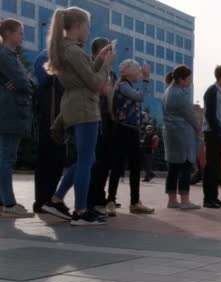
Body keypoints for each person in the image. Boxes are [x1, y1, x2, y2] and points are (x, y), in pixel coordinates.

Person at [45, 7, 115, 225]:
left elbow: (84, 75)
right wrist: (107, 64)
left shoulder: (67, 49)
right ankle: (81, 211)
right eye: (88, 26)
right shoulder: (74, 51)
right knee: (86, 161)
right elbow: (94, 83)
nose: (89, 31)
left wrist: (99, 59)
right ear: (78, 27)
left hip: (75, 106)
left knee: (87, 158)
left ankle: (56, 200)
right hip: (84, 108)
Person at [106, 59, 154, 216]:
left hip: (130, 130)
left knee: (134, 166)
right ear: (125, 71)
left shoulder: (127, 85)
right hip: (122, 130)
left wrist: (141, 116)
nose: (140, 70)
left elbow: (131, 105)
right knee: (118, 166)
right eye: (137, 68)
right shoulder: (123, 85)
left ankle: (134, 202)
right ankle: (111, 201)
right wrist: (146, 79)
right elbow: (139, 97)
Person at [0, 18, 35, 217]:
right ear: (10, 34)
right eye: (20, 32)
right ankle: (9, 204)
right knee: (7, 158)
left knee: (4, 157)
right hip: (10, 113)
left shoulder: (9, 55)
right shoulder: (5, 55)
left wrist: (25, 82)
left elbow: (24, 81)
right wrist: (25, 82)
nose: (22, 36)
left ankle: (4, 201)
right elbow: (24, 82)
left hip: (10, 113)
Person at [32, 49, 66, 217]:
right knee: (49, 159)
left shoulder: (50, 56)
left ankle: (46, 200)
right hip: (50, 116)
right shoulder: (47, 56)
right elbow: (42, 82)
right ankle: (44, 200)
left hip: (56, 115)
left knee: (55, 160)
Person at [162, 65, 200, 210]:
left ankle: (172, 200)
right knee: (185, 166)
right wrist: (198, 129)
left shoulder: (168, 91)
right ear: (181, 80)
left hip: (171, 133)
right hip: (182, 134)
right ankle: (185, 200)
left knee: (173, 168)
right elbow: (190, 115)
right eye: (189, 78)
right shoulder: (178, 94)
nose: (191, 81)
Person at [87, 37, 116, 216]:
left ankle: (100, 198)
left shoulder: (111, 72)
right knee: (95, 162)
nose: (112, 54)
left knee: (105, 162)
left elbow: (112, 94)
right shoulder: (93, 66)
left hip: (109, 120)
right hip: (94, 117)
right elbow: (98, 89)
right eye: (109, 51)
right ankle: (92, 200)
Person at [202, 64, 221, 209]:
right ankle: (207, 199)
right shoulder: (212, 91)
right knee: (211, 165)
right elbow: (210, 114)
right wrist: (218, 130)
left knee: (216, 166)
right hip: (213, 133)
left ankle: (214, 197)